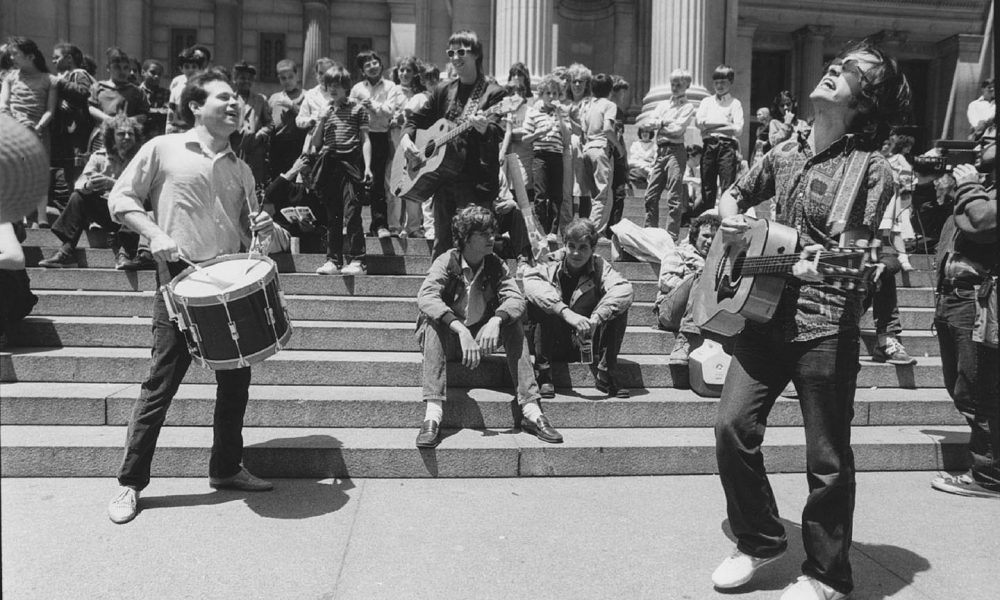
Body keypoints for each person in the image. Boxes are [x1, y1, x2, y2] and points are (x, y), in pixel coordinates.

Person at [711, 40, 911, 600]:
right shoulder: (783, 151)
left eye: (850, 70)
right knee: (731, 429)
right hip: (761, 319)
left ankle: (828, 575)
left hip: (823, 327)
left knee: (826, 460)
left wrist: (766, 256)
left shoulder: (872, 170)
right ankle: (759, 538)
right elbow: (735, 192)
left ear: (865, 101)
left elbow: (852, 267)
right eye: (835, 62)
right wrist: (731, 222)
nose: (832, 69)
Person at [105, 68, 279, 525]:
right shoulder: (163, 148)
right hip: (178, 286)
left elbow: (250, 232)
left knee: (235, 388)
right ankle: (129, 483)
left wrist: (264, 229)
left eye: (238, 99)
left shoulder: (241, 167)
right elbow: (121, 199)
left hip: (228, 286)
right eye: (224, 98)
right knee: (159, 388)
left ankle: (225, 468)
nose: (235, 104)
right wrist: (154, 234)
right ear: (195, 106)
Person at [414, 205, 563, 448]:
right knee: (433, 322)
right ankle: (433, 414)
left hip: (482, 338)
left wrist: (496, 319)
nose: (492, 238)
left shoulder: (495, 264)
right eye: (483, 234)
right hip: (452, 340)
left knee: (513, 324)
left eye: (492, 232)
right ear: (465, 237)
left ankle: (531, 410)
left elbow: (516, 298)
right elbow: (427, 297)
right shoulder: (447, 260)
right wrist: (460, 330)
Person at [928, 147, 998, 498]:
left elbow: (983, 223)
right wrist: (943, 190)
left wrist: (969, 186)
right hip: (953, 297)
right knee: (962, 387)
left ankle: (990, 473)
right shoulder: (985, 184)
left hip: (977, 300)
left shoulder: (980, 189)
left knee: (979, 391)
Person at [399, 30, 505, 258]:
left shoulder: (493, 93)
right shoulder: (443, 90)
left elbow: (497, 131)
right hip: (443, 179)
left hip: (475, 182)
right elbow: (416, 120)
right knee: (442, 247)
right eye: (451, 52)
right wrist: (407, 138)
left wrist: (485, 127)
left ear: (476, 55)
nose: (455, 57)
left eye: (462, 52)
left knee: (475, 247)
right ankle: (439, 292)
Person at [524, 218, 633, 398]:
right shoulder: (550, 262)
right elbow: (530, 284)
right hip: (554, 340)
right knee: (540, 303)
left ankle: (606, 372)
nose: (576, 253)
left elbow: (624, 289)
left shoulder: (600, 266)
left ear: (593, 249)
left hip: (587, 339)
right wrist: (564, 312)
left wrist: (597, 318)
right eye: (571, 246)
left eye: (583, 247)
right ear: (564, 245)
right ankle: (543, 374)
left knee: (618, 306)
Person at [38, 113, 147, 270]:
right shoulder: (99, 157)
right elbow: (80, 184)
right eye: (121, 134)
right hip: (107, 213)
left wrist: (112, 184)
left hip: (132, 216)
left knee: (132, 201)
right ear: (111, 137)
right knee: (78, 197)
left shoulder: (142, 159)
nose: (127, 137)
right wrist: (89, 186)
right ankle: (66, 251)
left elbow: (144, 193)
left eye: (131, 133)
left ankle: (125, 253)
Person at [311, 64, 372, 277]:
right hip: (329, 164)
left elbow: (365, 139)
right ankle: (333, 260)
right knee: (332, 215)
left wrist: (368, 166)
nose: (333, 89)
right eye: (329, 85)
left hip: (352, 163)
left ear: (346, 87)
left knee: (353, 212)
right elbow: (315, 144)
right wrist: (321, 120)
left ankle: (358, 260)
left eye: (337, 85)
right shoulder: (325, 110)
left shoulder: (358, 109)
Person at [1, 36, 58, 227]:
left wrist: (38, 127)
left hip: (38, 132)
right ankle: (18, 216)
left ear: (30, 56)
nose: (11, 58)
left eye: (15, 54)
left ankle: (41, 217)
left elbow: (50, 110)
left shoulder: (49, 80)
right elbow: (3, 105)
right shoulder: (10, 78)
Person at [654, 212, 721, 364]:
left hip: (703, 313)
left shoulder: (719, 260)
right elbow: (665, 281)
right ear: (695, 236)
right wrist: (696, 280)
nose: (710, 241)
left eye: (715, 237)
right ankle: (683, 341)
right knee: (703, 276)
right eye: (705, 236)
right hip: (670, 311)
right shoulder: (679, 252)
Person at [350, 50, 399, 239]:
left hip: (379, 136)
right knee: (357, 181)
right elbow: (351, 111)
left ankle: (380, 225)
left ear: (381, 64)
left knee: (378, 182)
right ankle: (355, 225)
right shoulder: (356, 89)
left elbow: (389, 111)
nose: (372, 66)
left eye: (374, 62)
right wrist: (359, 107)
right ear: (362, 70)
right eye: (367, 65)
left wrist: (372, 106)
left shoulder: (391, 87)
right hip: (360, 137)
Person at [643, 68, 695, 238]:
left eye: (679, 83)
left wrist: (660, 124)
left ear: (687, 85)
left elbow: (678, 130)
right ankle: (650, 232)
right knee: (651, 194)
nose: (675, 86)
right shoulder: (663, 105)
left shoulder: (688, 107)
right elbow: (648, 124)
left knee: (674, 196)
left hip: (675, 152)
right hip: (660, 152)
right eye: (673, 83)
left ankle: (671, 235)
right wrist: (666, 122)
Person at [523, 73, 571, 238]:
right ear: (542, 95)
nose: (551, 97)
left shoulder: (562, 113)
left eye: (555, 93)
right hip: (540, 156)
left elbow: (567, 139)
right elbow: (524, 138)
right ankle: (542, 229)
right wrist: (538, 132)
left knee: (557, 195)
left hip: (557, 155)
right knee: (541, 194)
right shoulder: (534, 113)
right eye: (548, 93)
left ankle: (552, 231)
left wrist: (559, 115)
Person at [49, 42, 96, 210]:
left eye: (56, 57)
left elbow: (84, 92)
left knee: (76, 174)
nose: (53, 61)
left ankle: (79, 214)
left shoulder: (79, 73)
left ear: (68, 59)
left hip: (78, 136)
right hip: (68, 137)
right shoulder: (67, 76)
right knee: (69, 174)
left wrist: (60, 84)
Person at [695, 64, 743, 216]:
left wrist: (711, 127)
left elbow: (738, 129)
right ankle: (707, 221)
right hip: (709, 147)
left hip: (727, 148)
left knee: (727, 186)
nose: (719, 86)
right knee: (707, 186)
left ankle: (725, 220)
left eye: (723, 82)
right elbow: (699, 123)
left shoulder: (735, 104)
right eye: (716, 82)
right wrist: (725, 124)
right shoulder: (706, 102)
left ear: (730, 82)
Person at [388, 55, 426, 238]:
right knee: (396, 181)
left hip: (414, 139)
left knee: (413, 180)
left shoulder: (420, 93)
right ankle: (395, 225)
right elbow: (388, 110)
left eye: (408, 70)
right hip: (396, 137)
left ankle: (413, 226)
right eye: (401, 70)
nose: (404, 74)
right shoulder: (394, 89)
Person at [88, 47, 149, 137]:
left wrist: (124, 122)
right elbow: (91, 108)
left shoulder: (137, 92)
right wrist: (109, 120)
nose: (122, 71)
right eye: (117, 67)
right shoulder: (97, 87)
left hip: (127, 136)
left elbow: (143, 115)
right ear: (108, 68)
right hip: (101, 136)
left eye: (125, 68)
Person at [230, 60, 273, 185]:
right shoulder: (229, 99)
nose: (246, 81)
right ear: (235, 80)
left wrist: (261, 133)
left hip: (255, 148)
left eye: (249, 79)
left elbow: (270, 123)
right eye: (242, 78)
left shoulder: (260, 99)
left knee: (254, 184)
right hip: (234, 147)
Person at [266, 59, 308, 182]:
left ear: (297, 76)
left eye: (290, 77)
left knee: (296, 182)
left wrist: (291, 105)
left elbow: (309, 120)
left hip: (298, 145)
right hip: (278, 146)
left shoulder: (306, 95)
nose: (287, 81)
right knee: (279, 181)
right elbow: (269, 121)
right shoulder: (274, 98)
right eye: (283, 78)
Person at [166, 45, 210, 134]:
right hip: (178, 132)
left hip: (198, 131)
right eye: (186, 67)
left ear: (200, 68)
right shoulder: (176, 89)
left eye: (194, 66)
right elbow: (170, 115)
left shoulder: (205, 89)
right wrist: (168, 131)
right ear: (181, 68)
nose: (190, 70)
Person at [138, 59, 169, 138]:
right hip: (139, 135)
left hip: (158, 135)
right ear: (143, 72)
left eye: (159, 74)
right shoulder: (136, 92)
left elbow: (167, 112)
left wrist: (147, 111)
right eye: (153, 73)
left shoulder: (165, 93)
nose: (156, 76)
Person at [967, 78, 995, 142]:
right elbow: (974, 120)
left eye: (994, 87)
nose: (992, 89)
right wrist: (983, 124)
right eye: (989, 87)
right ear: (983, 89)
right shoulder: (974, 104)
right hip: (979, 135)